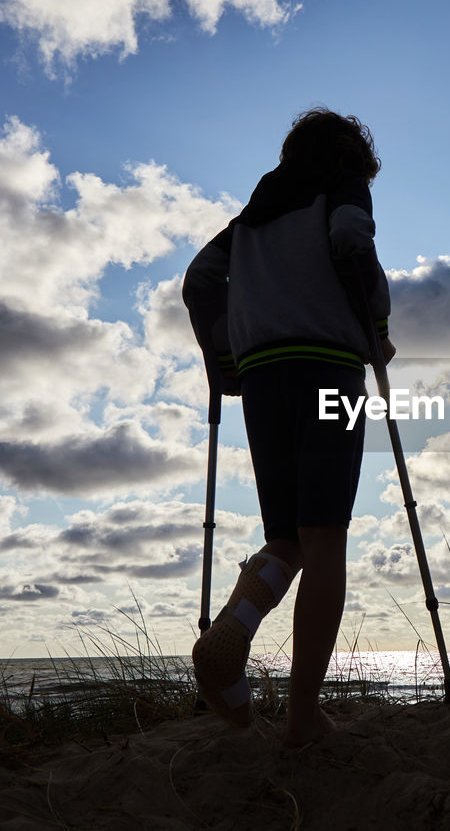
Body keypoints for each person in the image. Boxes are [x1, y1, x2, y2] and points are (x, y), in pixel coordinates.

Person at [183, 108, 393, 747]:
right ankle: (303, 719)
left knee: (290, 539)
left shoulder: (247, 221)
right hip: (328, 370)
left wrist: (224, 365)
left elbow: (198, 283)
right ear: (348, 158)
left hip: (262, 380)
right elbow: (354, 238)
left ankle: (233, 633)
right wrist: (377, 336)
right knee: (326, 538)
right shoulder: (342, 185)